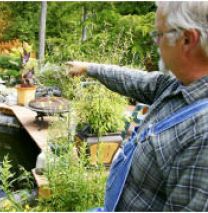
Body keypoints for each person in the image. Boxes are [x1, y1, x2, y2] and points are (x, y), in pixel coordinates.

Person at [67, 2, 208, 211]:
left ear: (187, 39)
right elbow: (135, 80)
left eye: (160, 34)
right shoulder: (176, 85)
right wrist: (89, 68)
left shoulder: (202, 136)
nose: (156, 43)